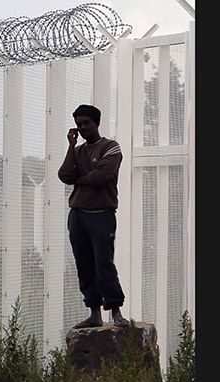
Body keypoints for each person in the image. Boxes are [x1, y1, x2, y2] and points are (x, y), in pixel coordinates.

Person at [57, 104, 129, 329]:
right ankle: (94, 312)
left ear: (96, 122)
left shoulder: (111, 147)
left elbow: (101, 176)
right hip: (78, 216)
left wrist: (78, 179)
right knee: (84, 264)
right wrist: (71, 145)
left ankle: (115, 310)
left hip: (102, 215)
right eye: (79, 124)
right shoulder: (78, 151)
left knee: (103, 263)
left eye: (86, 123)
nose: (83, 127)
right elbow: (64, 174)